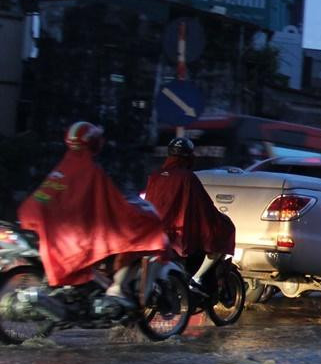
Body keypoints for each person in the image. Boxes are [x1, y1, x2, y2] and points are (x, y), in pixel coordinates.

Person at [17, 122, 167, 308]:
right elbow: (110, 203)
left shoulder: (63, 167)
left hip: (42, 224)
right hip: (73, 231)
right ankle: (117, 288)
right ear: (94, 143)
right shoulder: (90, 171)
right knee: (142, 235)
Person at [144, 136, 236, 292]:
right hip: (178, 232)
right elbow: (203, 206)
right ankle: (197, 278)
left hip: (153, 230)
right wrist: (220, 219)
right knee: (222, 234)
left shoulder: (155, 175)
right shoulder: (187, 177)